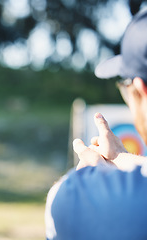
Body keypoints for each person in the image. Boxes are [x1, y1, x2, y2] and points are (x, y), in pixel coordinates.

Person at [45, 8, 147, 240]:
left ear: (141, 89)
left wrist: (94, 174)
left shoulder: (75, 196)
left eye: (126, 87)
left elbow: (62, 198)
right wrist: (121, 158)